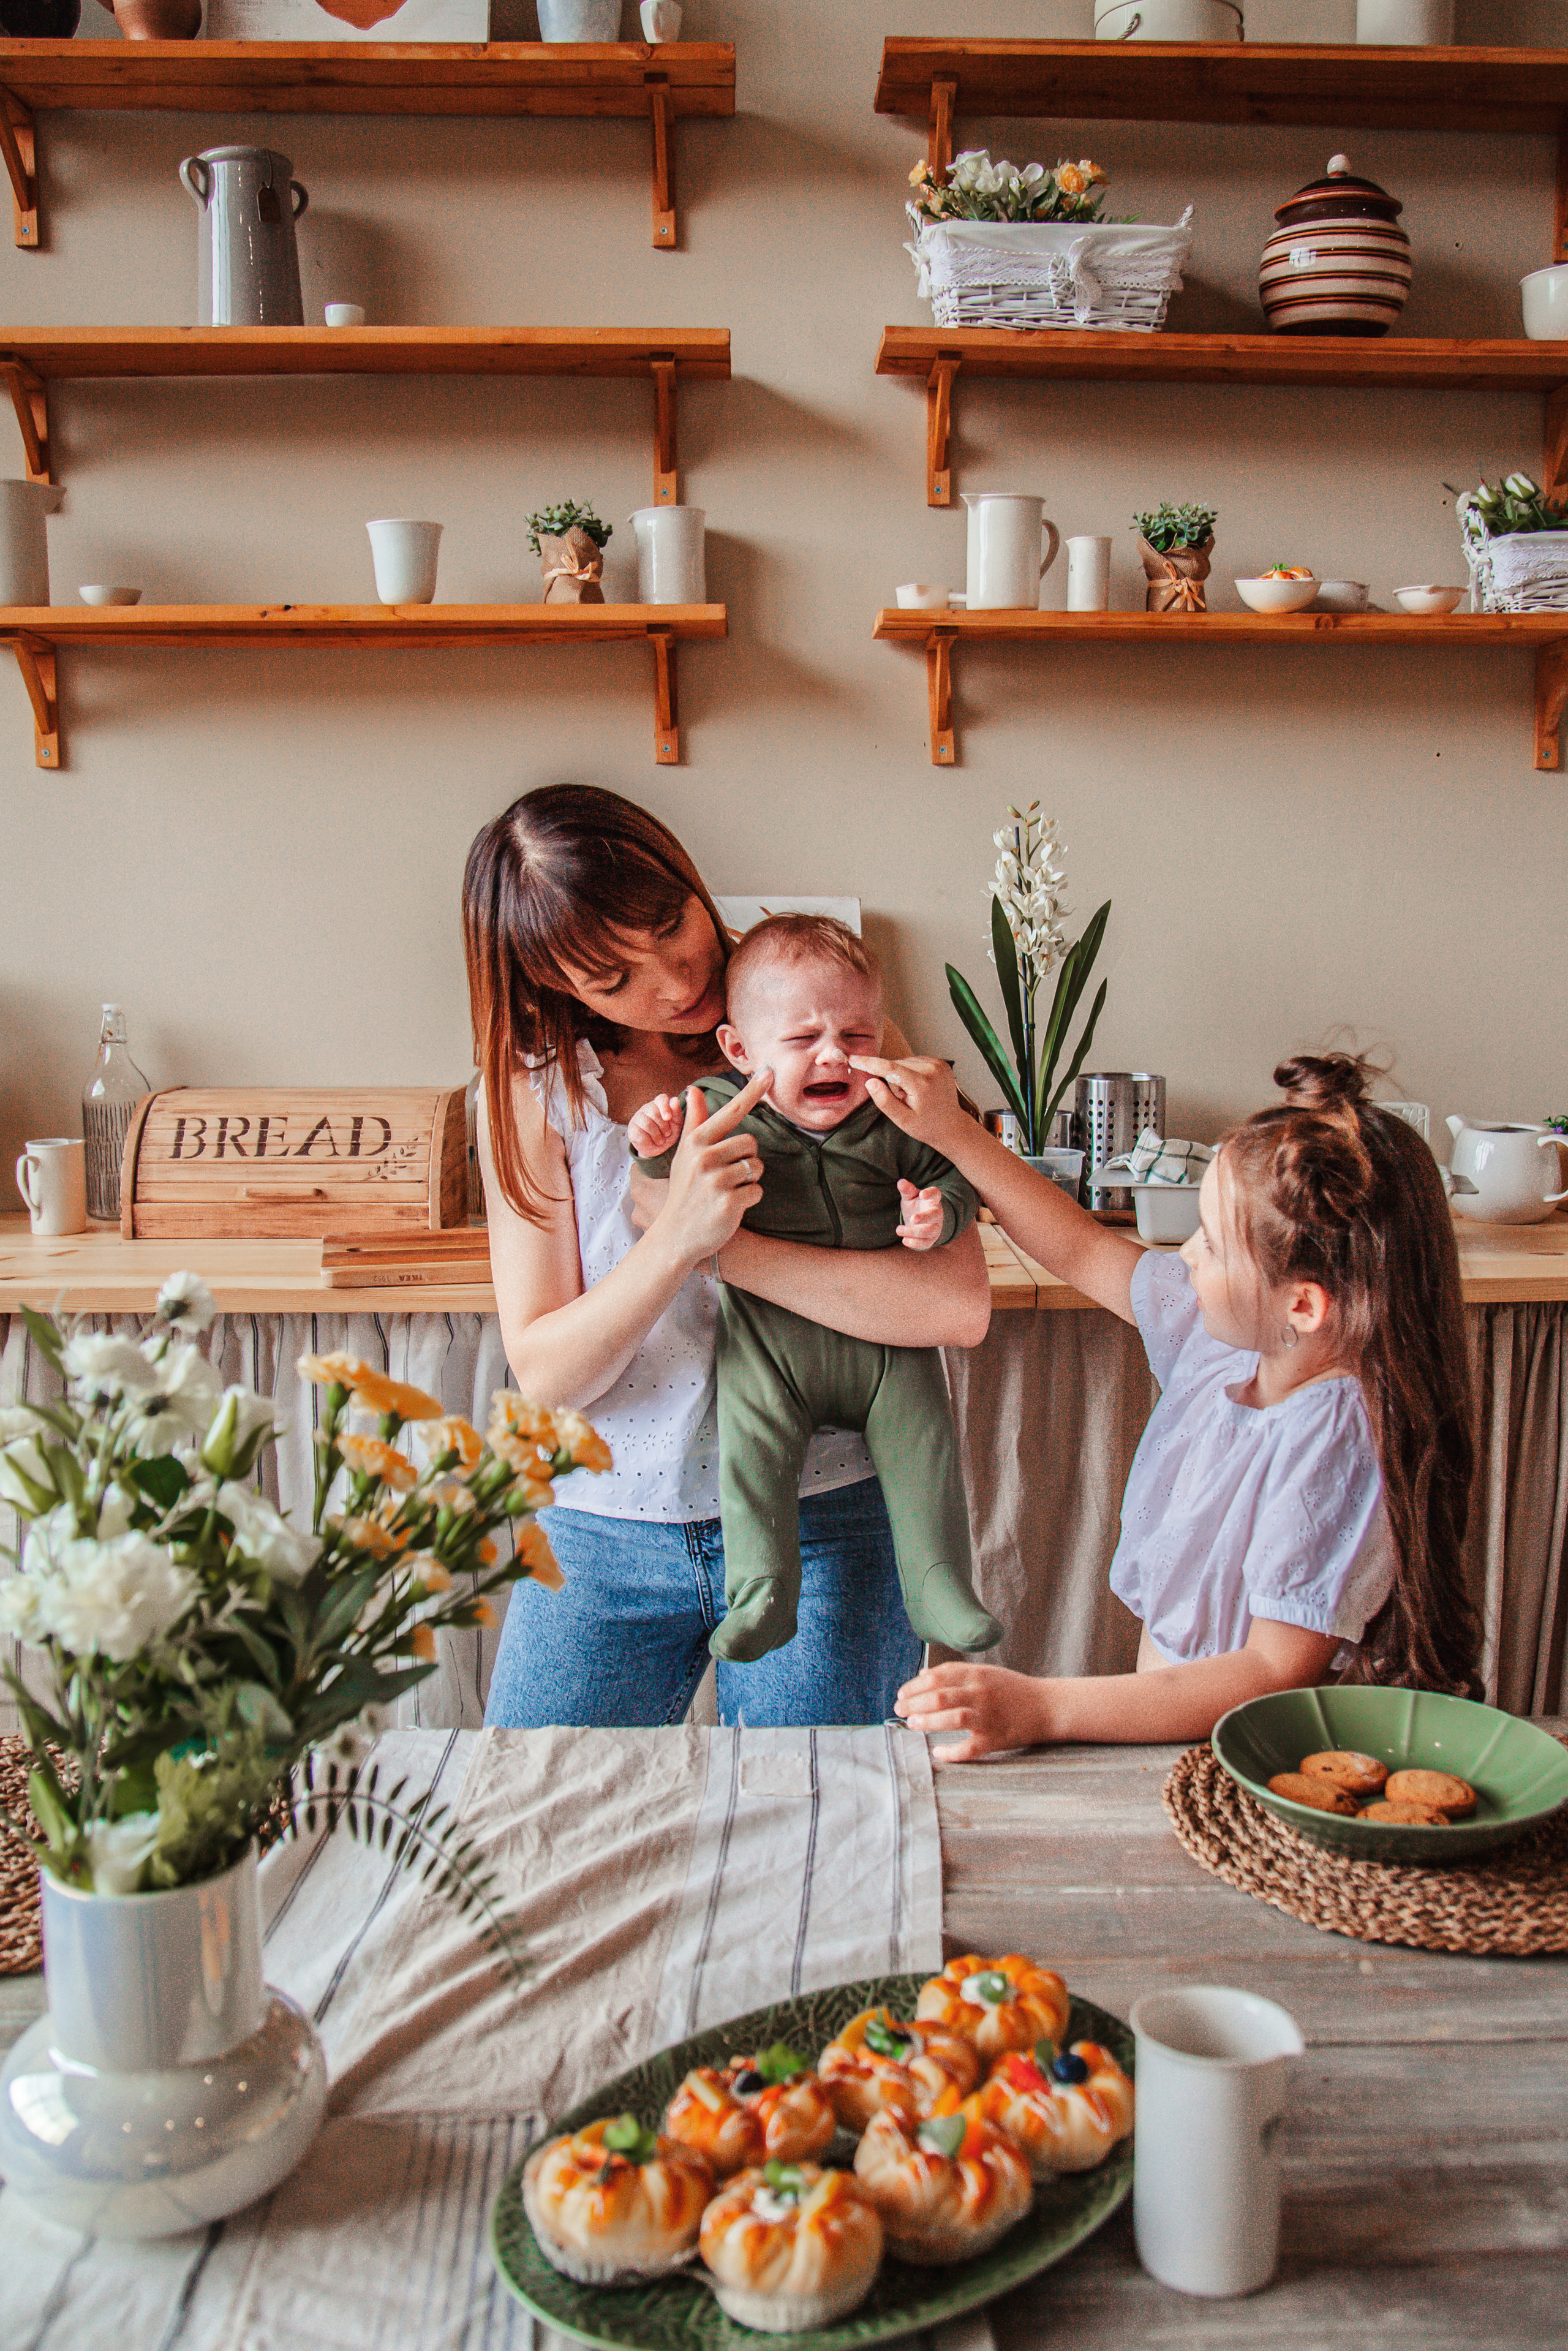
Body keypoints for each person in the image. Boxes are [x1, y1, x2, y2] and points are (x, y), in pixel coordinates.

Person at [462, 784, 992, 1730]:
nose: (672, 981)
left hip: (828, 1520)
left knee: (819, 1841)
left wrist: (722, 1248)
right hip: (602, 1538)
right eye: (613, 979)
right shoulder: (539, 1090)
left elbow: (949, 1307)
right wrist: (670, 1239)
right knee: (529, 1827)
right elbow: (543, 1374)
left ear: (687, 877)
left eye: (673, 925)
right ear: (555, 986)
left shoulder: (820, 1018)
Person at [842, 1048, 1480, 1762]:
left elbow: (1273, 1671)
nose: (1188, 1256)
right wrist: (955, 1134)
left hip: (1262, 1763)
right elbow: (1082, 1249)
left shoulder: (1337, 1436)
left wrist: (1044, 1704)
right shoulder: (1237, 1346)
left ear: (1301, 1302)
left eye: (1211, 1241)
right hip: (1176, 1739)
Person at [628, 913, 1003, 1664]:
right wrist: (654, 1148)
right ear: (740, 1049)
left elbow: (953, 1174)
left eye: (857, 1037)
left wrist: (941, 1212)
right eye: (802, 1040)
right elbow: (662, 1202)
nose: (835, 1054)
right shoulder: (718, 1106)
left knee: (924, 1447)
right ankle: (761, 1590)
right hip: (770, 1351)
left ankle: (939, 1585)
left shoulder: (896, 1113)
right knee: (750, 1456)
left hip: (887, 1352)